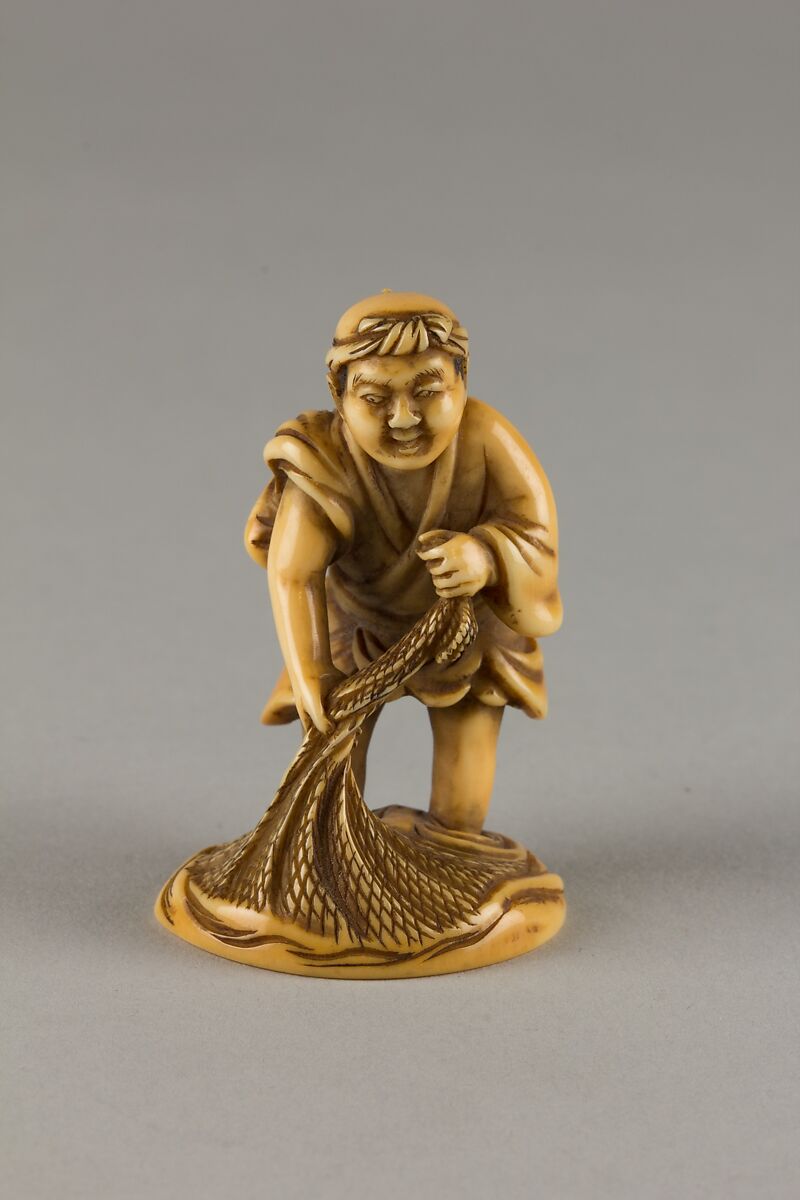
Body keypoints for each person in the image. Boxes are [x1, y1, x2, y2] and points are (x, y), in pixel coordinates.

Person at [244, 291, 562, 832]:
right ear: (339, 393)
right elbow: (295, 573)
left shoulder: (488, 438)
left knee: (463, 804)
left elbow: (537, 533)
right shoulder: (323, 456)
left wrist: (486, 554)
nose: (404, 417)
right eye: (375, 398)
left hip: (467, 630)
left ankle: (454, 846)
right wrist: (311, 672)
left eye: (428, 392)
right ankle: (334, 847)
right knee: (332, 754)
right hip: (353, 624)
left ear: (462, 382)